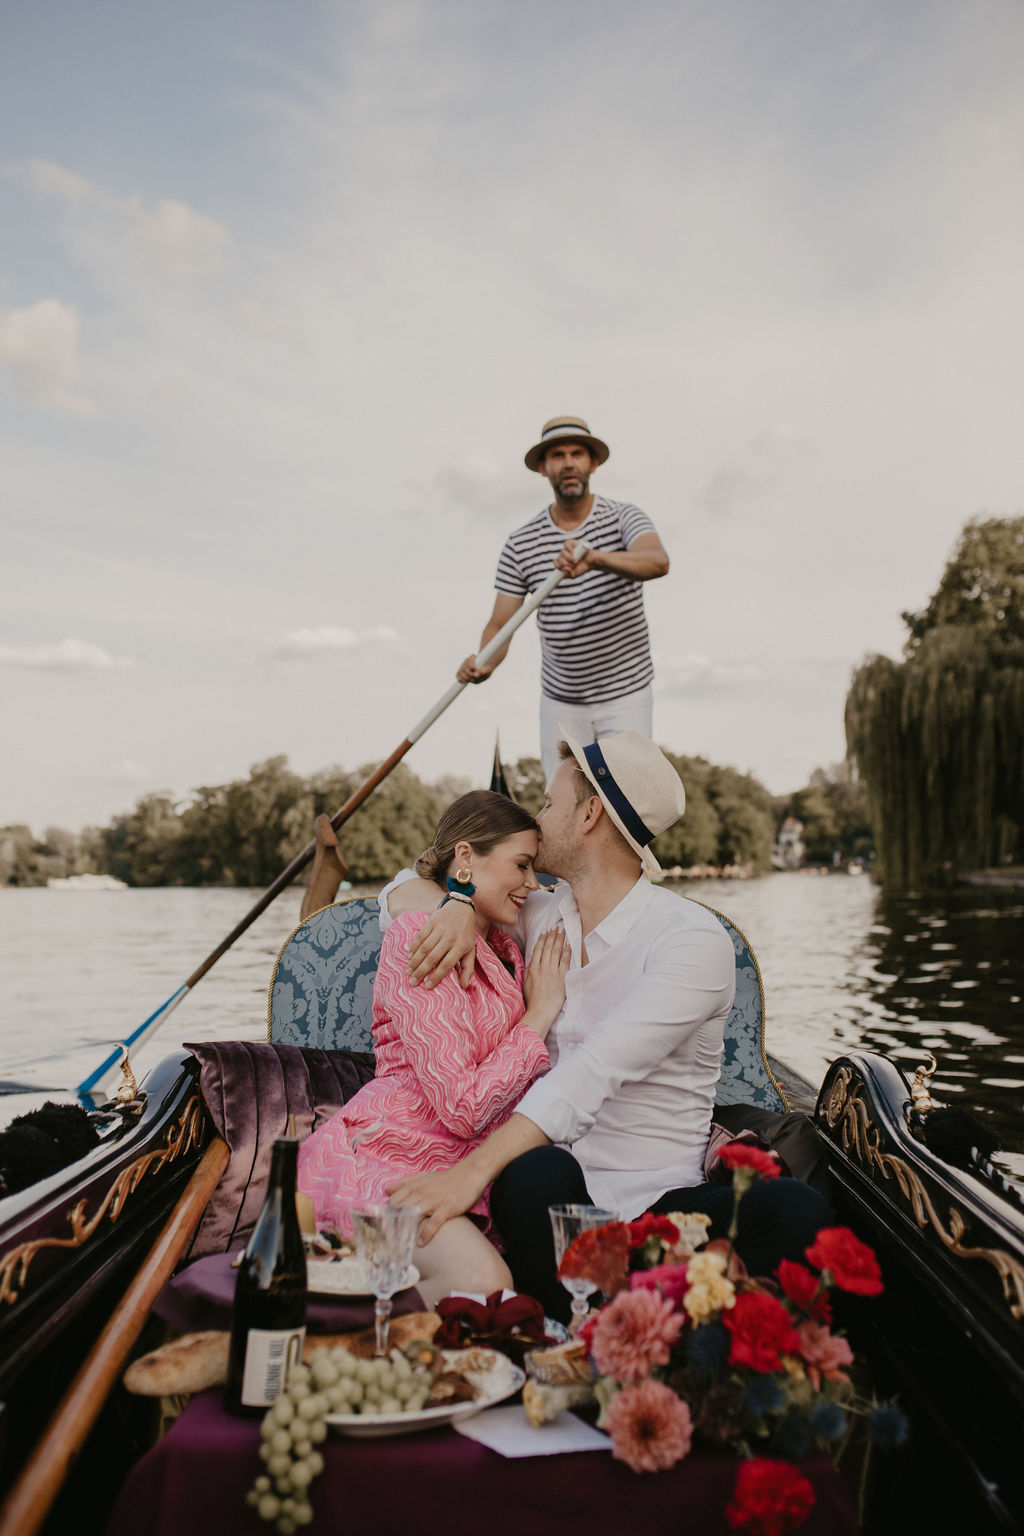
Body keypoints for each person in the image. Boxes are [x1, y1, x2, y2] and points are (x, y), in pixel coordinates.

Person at [382, 732, 831, 1323]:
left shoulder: (690, 940)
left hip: (664, 1205)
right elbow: (398, 888)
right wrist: (460, 903)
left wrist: (467, 1176)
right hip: (550, 1197)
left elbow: (597, 1070)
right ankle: (616, 1323)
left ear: (590, 812)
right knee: (537, 1171)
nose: (537, 823)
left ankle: (624, 1314)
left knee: (797, 1211)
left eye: (548, 804)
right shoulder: (535, 912)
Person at [295, 790, 569, 1308]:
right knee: (487, 1287)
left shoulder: (507, 947)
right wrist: (538, 1015)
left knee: (495, 1294)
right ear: (466, 858)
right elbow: (461, 1107)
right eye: (522, 865)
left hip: (465, 1176)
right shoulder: (419, 936)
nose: (534, 884)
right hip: (388, 1162)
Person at [456, 416, 670, 778]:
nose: (568, 463)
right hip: (562, 701)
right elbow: (500, 622)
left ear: (593, 463)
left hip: (626, 693)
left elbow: (657, 561)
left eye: (577, 454)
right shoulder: (521, 543)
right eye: (557, 455)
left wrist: (597, 559)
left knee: (628, 802)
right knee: (563, 802)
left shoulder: (624, 518)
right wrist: (486, 661)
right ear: (543, 468)